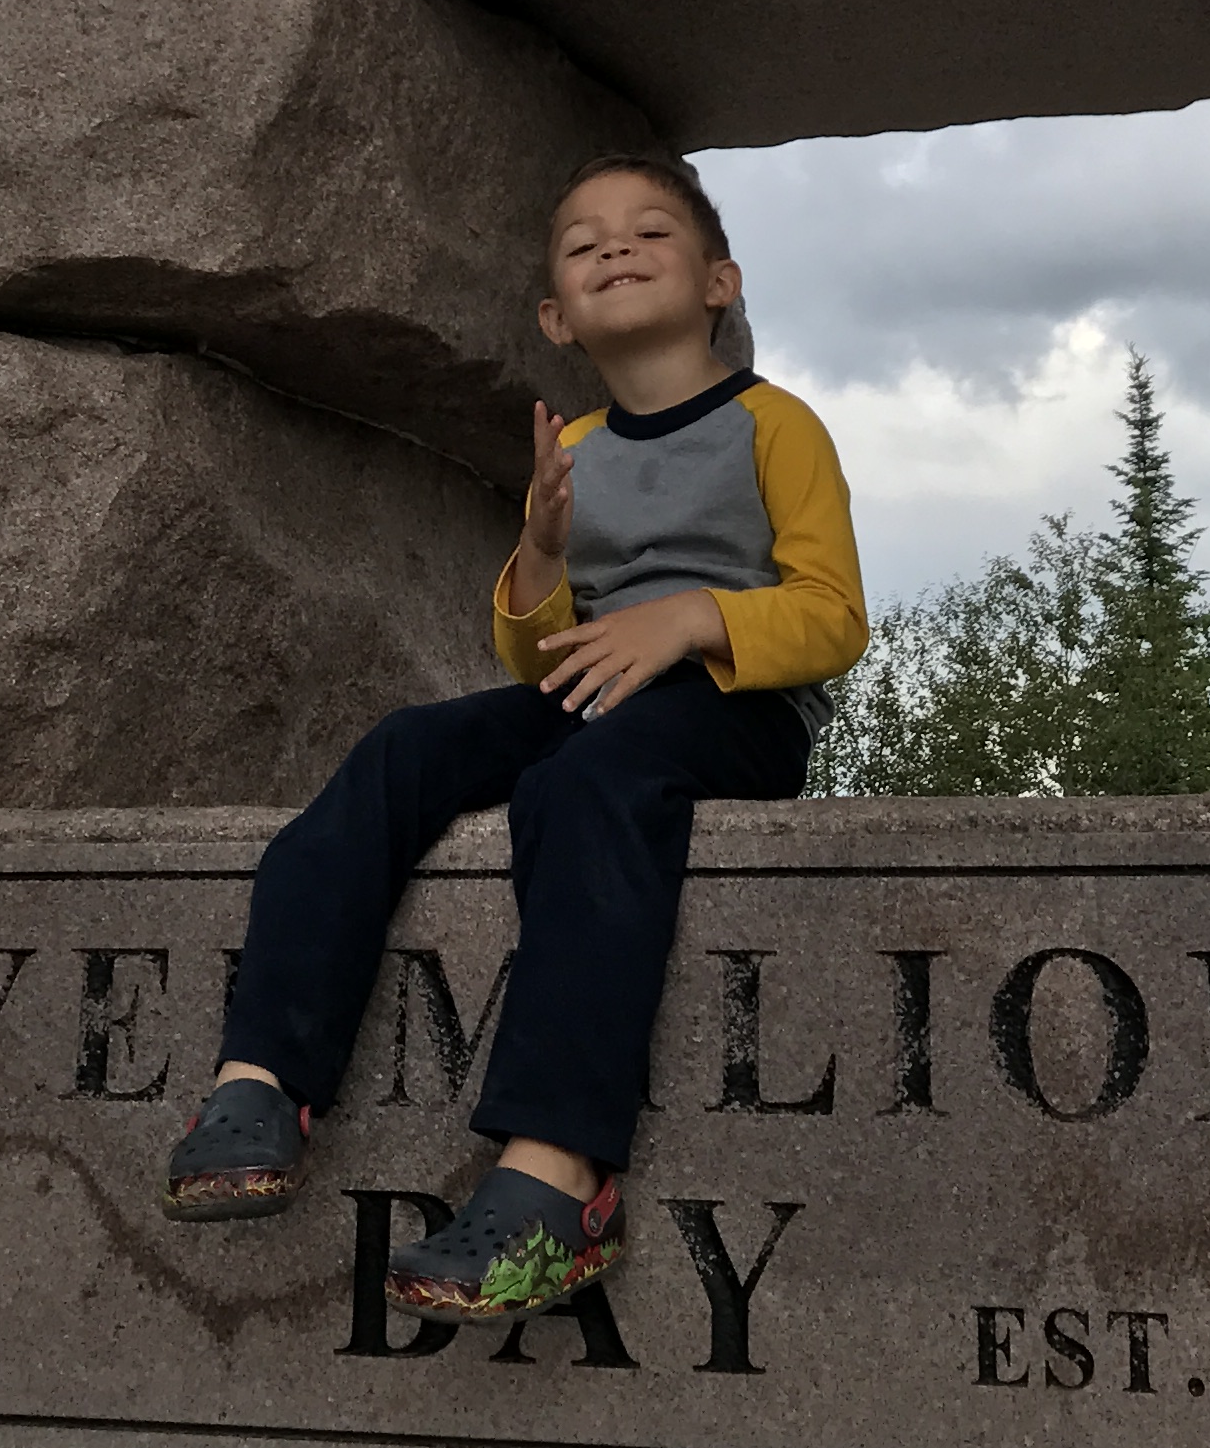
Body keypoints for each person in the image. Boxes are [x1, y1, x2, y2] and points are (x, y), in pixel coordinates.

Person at [162, 150, 867, 1324]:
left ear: (720, 282)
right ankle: (262, 1083)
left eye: (651, 232)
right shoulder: (574, 447)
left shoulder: (775, 426)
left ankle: (561, 1178)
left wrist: (690, 620)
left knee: (584, 784)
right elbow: (539, 658)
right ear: (556, 316)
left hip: (734, 706)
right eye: (585, 245)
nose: (616, 247)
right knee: (404, 749)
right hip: (595, 695)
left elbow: (835, 617)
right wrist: (541, 551)